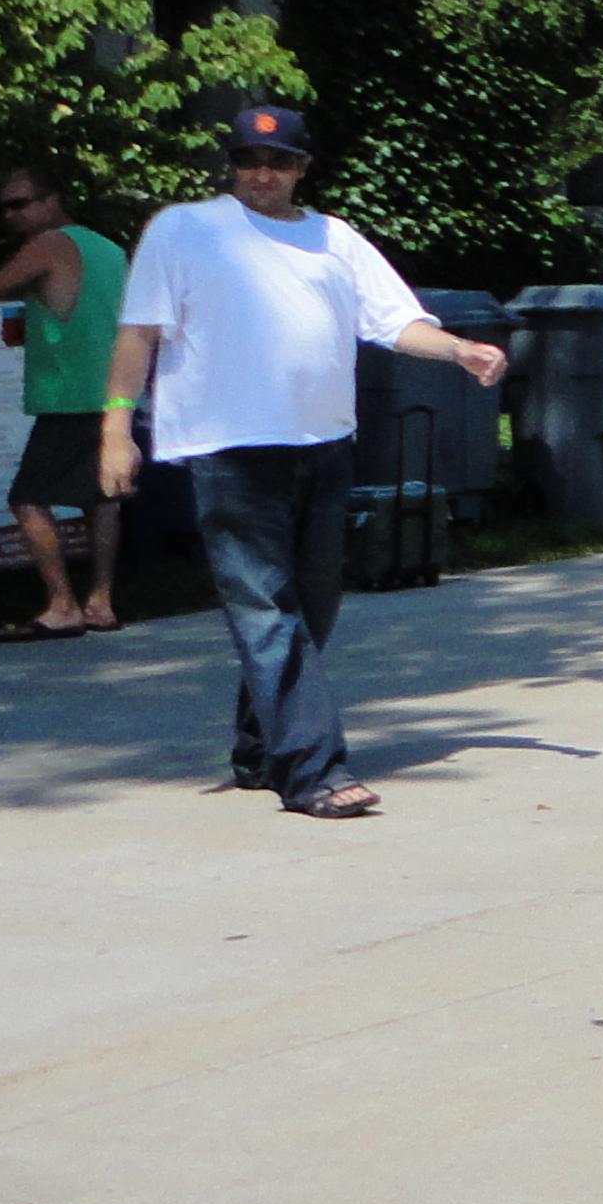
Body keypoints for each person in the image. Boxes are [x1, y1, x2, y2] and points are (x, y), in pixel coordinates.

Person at [95, 103, 507, 818]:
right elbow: (138, 333)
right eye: (249, 161)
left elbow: (395, 320)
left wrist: (458, 350)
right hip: (229, 449)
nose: (263, 174)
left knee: (312, 608)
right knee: (266, 606)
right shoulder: (184, 229)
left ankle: (261, 750)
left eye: (279, 161)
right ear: (232, 167)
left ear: (302, 168)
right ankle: (314, 768)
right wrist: (115, 427)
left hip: (323, 446)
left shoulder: (335, 239)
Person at [0, 156, 129, 632]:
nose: (11, 216)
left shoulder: (49, 244)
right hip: (114, 394)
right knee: (101, 499)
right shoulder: (109, 249)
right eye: (5, 207)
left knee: (26, 498)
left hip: (71, 396)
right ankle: (101, 603)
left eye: (20, 204)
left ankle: (62, 605)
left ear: (51, 201)